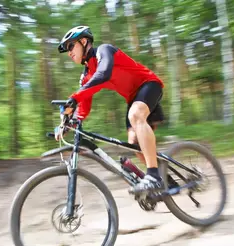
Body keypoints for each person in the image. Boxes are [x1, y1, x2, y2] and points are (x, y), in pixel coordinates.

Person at [56, 25, 172, 195]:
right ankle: (167, 183)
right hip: (133, 99)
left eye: (70, 46)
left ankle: (153, 176)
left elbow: (103, 73)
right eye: (67, 49)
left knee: (135, 115)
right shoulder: (86, 75)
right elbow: (83, 108)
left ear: (83, 41)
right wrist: (67, 124)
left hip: (149, 85)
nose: (69, 52)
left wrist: (74, 98)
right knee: (134, 144)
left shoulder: (104, 51)